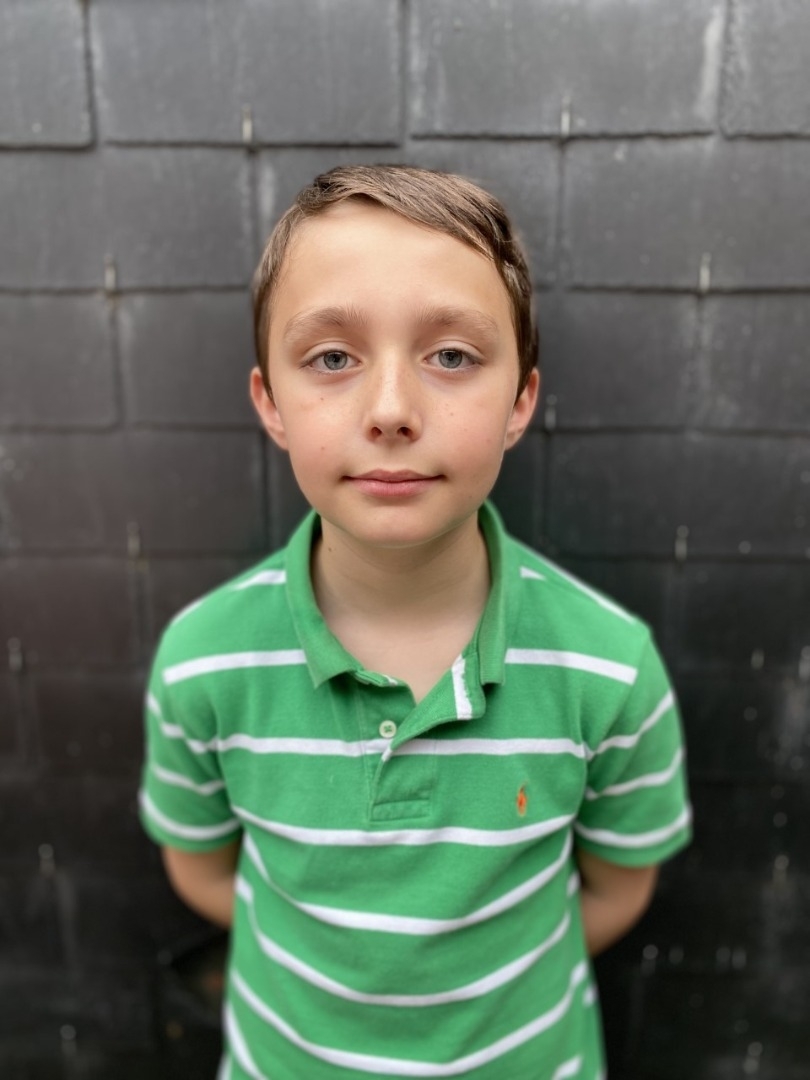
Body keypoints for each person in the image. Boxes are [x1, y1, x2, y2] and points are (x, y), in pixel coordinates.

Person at [139, 164, 691, 1080]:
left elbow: (620, 888)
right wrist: (351, 965)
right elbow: (199, 870)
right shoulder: (203, 661)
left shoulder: (608, 668)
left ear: (520, 401)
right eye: (332, 358)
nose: (392, 411)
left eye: (452, 356)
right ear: (270, 403)